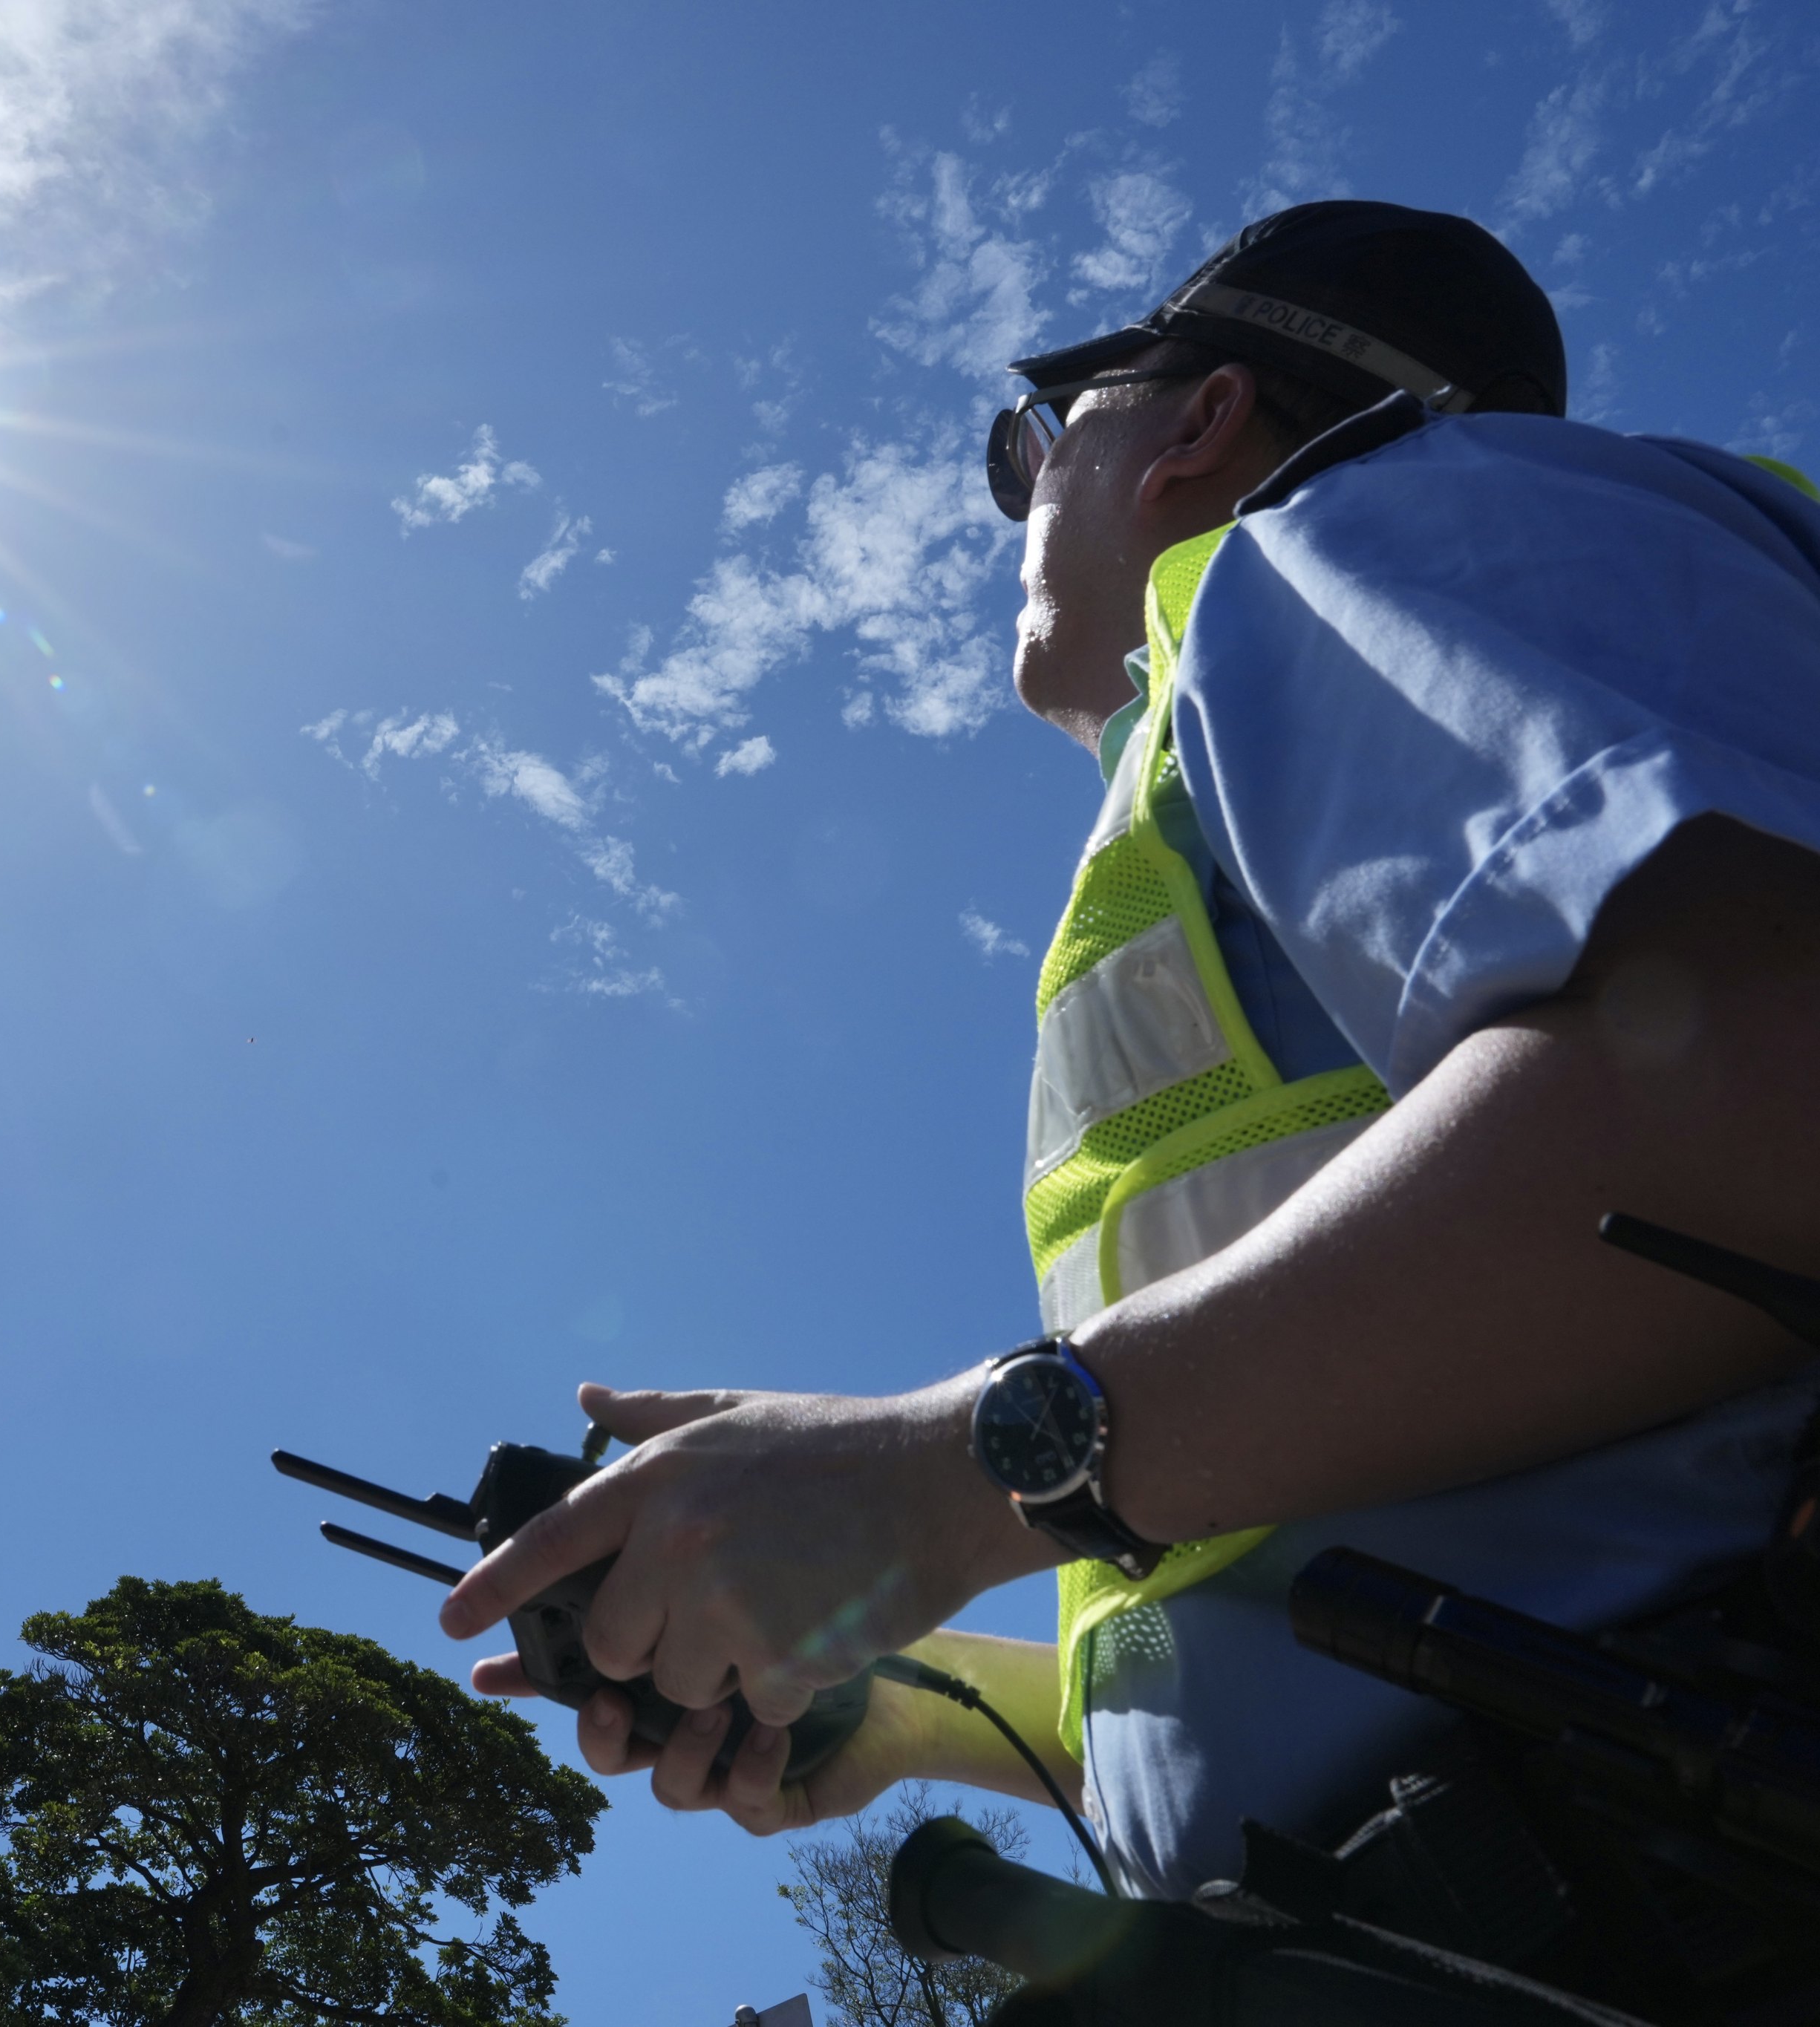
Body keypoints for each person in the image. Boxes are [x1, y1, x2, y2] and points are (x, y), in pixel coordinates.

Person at [439, 200, 1820, 1901]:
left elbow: (1764, 1083)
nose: (1021, 509)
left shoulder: (1355, 537)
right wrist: (902, 1699)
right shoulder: (1338, 680)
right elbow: (1368, 1579)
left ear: (1195, 423)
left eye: (1032, 450)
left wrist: (935, 1485)